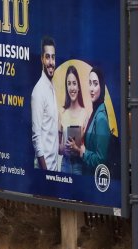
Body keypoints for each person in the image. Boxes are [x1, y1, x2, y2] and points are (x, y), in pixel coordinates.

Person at [73, 67, 113, 177]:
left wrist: (82, 152)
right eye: (90, 83)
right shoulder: (94, 113)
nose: (91, 88)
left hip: (94, 181)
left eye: (95, 84)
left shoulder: (100, 118)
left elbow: (101, 160)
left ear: (102, 87)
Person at [31, 36, 61, 171]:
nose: (51, 62)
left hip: (54, 168)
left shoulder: (51, 87)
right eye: (47, 57)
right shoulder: (38, 91)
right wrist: (45, 173)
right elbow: (36, 136)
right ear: (42, 59)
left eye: (53, 57)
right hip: (44, 169)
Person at [58, 65, 88, 176]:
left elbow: (87, 148)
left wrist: (77, 148)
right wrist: (63, 150)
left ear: (79, 87)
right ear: (66, 87)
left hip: (79, 166)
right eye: (69, 84)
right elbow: (58, 147)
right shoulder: (62, 113)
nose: (72, 88)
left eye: (74, 83)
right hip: (64, 164)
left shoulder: (85, 114)